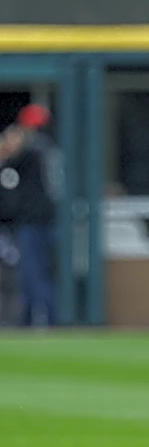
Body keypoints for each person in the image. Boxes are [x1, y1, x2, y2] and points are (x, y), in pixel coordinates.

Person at [0, 105, 60, 326]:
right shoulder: (46, 147)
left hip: (35, 222)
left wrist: (8, 146)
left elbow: (9, 161)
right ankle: (31, 321)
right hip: (40, 220)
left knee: (33, 274)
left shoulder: (36, 148)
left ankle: (45, 322)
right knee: (33, 274)